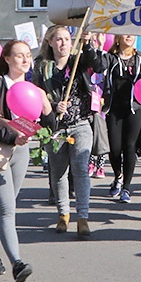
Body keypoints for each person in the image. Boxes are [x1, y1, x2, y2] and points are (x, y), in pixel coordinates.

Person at [0, 40, 55, 282]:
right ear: (8, 59)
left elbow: (48, 127)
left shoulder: (33, 89)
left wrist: (47, 109)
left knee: (6, 205)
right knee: (7, 210)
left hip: (20, 153)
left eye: (27, 56)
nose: (25, 59)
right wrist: (12, 135)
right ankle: (17, 263)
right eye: (19, 55)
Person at [32, 25, 103, 237]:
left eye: (66, 39)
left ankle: (83, 217)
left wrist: (88, 42)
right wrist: (53, 107)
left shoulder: (77, 61)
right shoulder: (42, 67)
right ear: (51, 42)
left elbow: (96, 64)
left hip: (80, 123)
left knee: (81, 167)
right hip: (55, 127)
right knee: (59, 170)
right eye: (59, 39)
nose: (63, 43)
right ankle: (63, 214)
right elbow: (36, 95)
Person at [103, 35, 141, 203]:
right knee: (115, 148)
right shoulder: (110, 58)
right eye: (125, 33)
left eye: (132, 33)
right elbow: (96, 67)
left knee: (130, 146)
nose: (129, 36)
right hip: (114, 108)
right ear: (118, 38)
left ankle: (127, 187)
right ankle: (118, 175)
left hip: (134, 107)